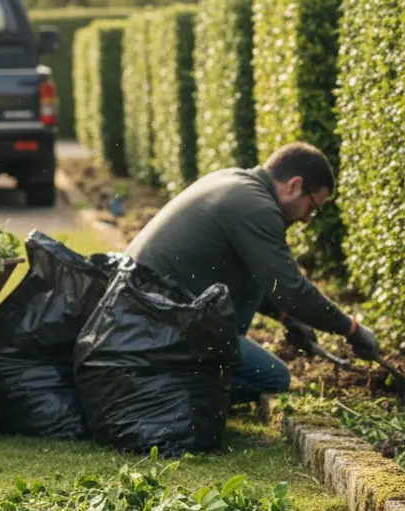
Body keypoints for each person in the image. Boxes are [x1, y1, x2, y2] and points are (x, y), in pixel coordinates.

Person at [125, 142, 381, 412]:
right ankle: (163, 391)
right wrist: (351, 329)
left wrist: (286, 318)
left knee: (255, 276)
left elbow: (264, 283)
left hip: (143, 312)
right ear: (294, 185)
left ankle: (184, 375)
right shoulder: (256, 208)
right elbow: (291, 290)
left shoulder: (234, 182)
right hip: (158, 322)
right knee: (273, 377)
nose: (307, 219)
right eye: (312, 206)